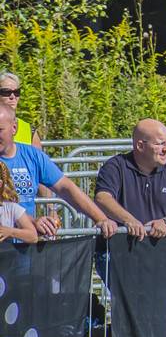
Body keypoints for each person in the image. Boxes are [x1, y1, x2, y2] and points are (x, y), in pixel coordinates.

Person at [0, 106, 117, 238]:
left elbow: (65, 187)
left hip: (22, 246)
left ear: (14, 128)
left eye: (0, 130)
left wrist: (101, 219)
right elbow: (6, 206)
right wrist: (32, 222)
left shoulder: (32, 156)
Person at [93, 119, 166, 241]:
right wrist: (129, 220)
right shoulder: (115, 167)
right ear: (140, 146)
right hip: (119, 251)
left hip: (159, 252)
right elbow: (102, 198)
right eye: (160, 144)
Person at [0, 163, 39, 244]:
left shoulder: (11, 208)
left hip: (7, 255)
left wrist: (10, 232)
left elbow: (33, 236)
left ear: (0, 184)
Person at [0, 72, 37, 145]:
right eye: (6, 92)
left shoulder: (30, 131)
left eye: (16, 92)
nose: (12, 97)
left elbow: (37, 156)